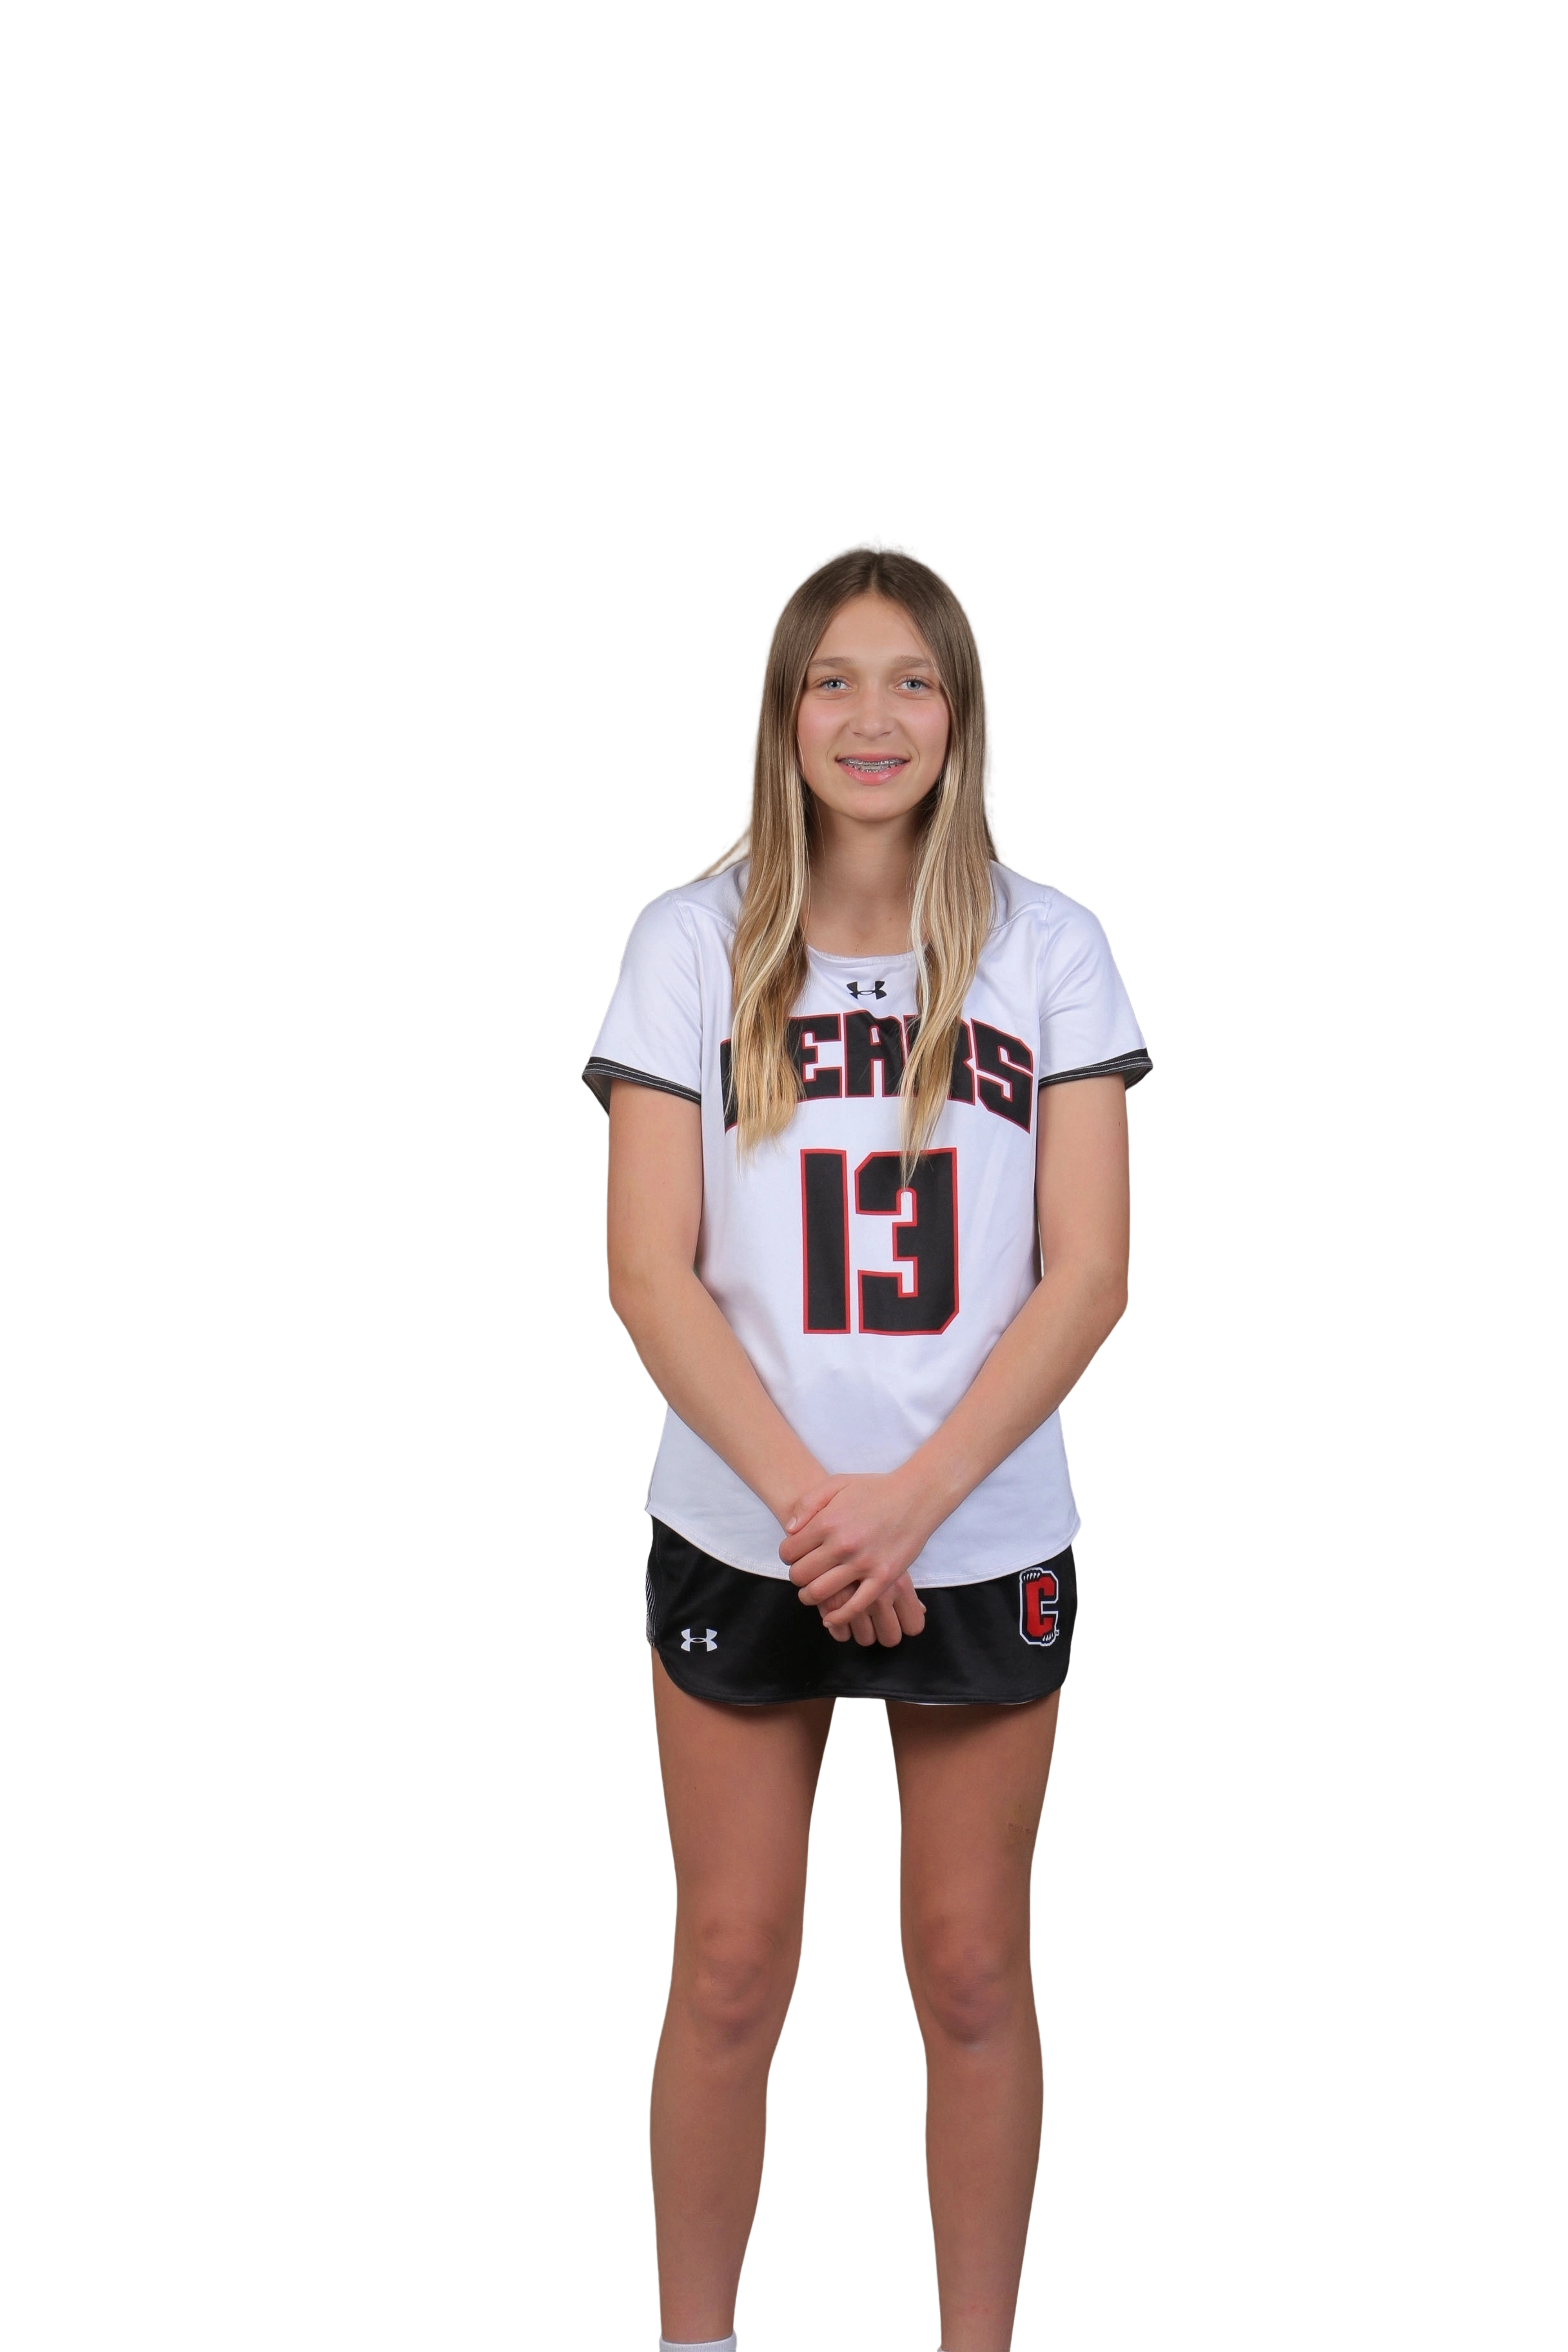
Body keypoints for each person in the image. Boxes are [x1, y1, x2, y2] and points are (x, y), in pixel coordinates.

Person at [579, 534, 1154, 2352]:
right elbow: (647, 1272)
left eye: (913, 679)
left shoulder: (1053, 947)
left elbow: (1089, 1272)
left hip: (978, 1524)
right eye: (834, 678)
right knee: (731, 1963)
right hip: (742, 1522)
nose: (873, 716)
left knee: (971, 1965)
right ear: (782, 712)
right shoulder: (686, 941)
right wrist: (817, 1510)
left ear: (964, 712)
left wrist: (912, 1503)